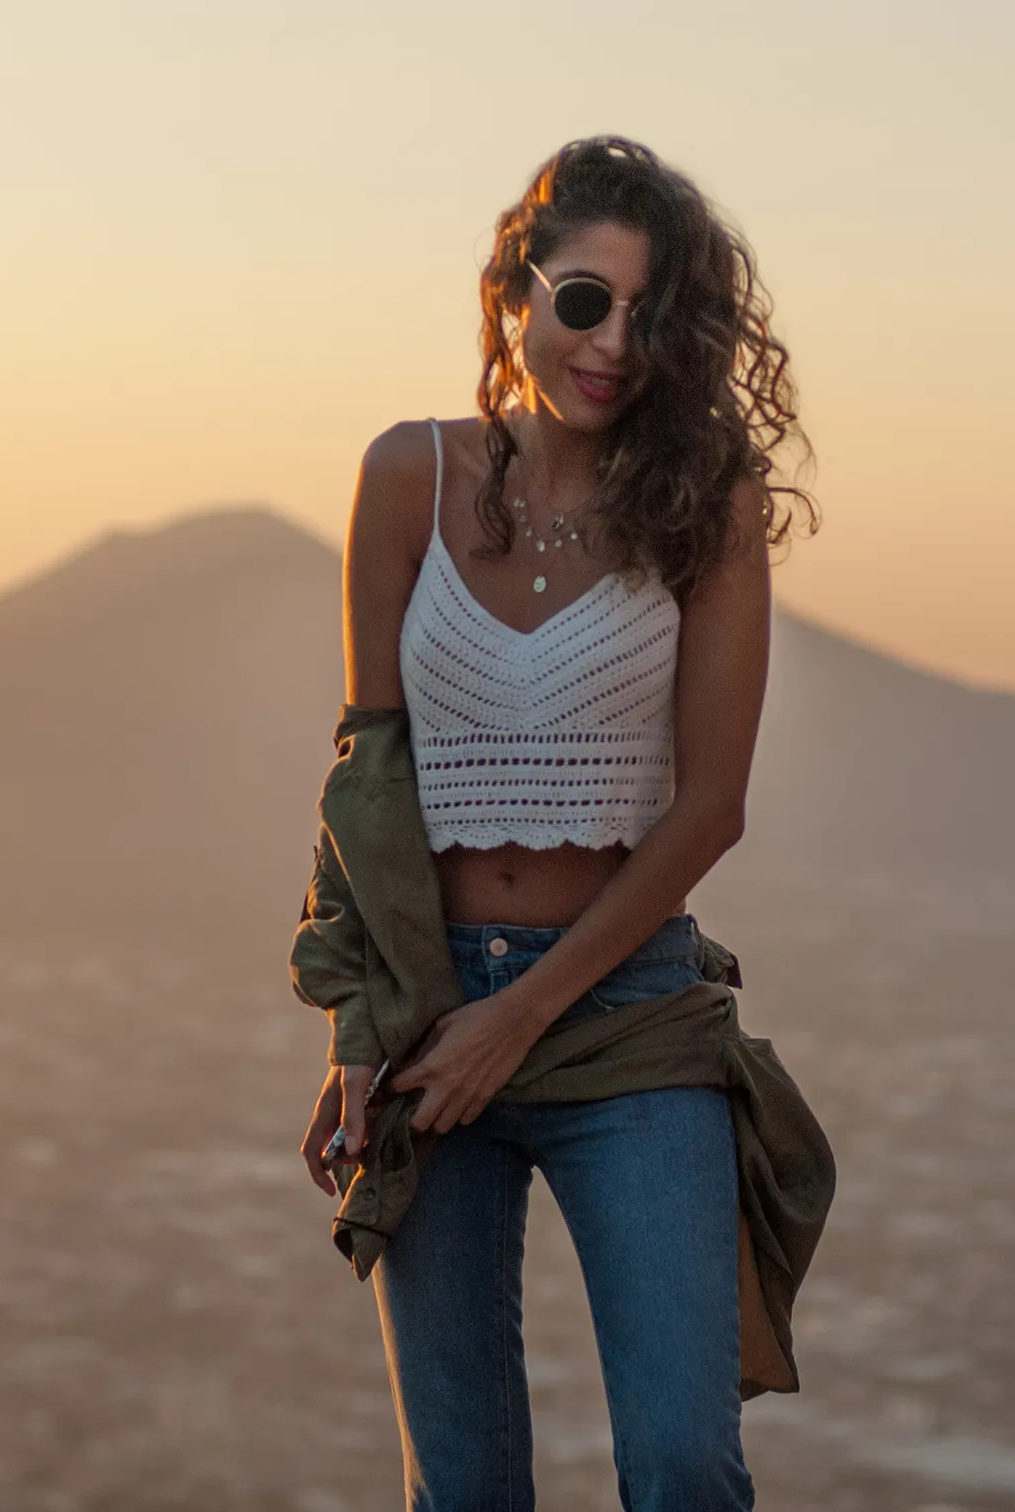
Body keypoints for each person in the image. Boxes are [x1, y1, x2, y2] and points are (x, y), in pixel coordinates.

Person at [294, 135, 820, 1511]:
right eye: (586, 300)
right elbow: (368, 777)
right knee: (462, 1483)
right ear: (513, 291)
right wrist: (362, 1032)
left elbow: (710, 808)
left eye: (654, 316)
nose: (614, 344)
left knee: (684, 1462)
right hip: (427, 1007)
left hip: (624, 1014)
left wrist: (517, 1020)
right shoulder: (407, 475)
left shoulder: (707, 504)